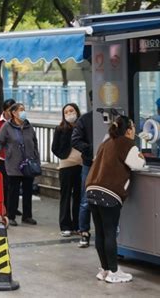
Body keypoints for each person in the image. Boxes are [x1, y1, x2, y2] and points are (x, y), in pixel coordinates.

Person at [86, 115, 145, 283]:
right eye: (133, 127)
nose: (134, 130)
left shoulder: (106, 142)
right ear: (128, 130)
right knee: (110, 232)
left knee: (100, 232)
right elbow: (138, 164)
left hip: (92, 189)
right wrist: (141, 156)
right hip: (109, 192)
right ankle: (113, 271)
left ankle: (104, 269)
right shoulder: (126, 143)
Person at [0, 103, 39, 226]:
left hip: (29, 163)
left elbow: (34, 142)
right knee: (13, 190)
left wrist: (36, 158)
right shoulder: (7, 126)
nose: (23, 112)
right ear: (14, 113)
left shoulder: (28, 126)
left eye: (24, 110)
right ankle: (11, 216)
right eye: (21, 110)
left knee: (28, 190)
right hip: (13, 163)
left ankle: (27, 216)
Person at [52, 103, 82, 237]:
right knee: (65, 196)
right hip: (66, 166)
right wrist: (64, 156)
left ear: (77, 111)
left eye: (72, 111)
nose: (70, 114)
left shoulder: (82, 126)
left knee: (78, 196)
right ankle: (65, 225)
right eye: (66, 112)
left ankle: (77, 225)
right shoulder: (60, 129)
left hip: (81, 165)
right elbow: (54, 147)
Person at [0, 98, 22, 216]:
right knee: (5, 183)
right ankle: (5, 207)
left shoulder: (18, 121)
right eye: (10, 110)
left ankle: (14, 207)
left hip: (16, 157)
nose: (12, 113)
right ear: (4, 110)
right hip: (3, 157)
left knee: (15, 183)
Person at [71, 91, 93, 248]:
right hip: (89, 163)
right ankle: (84, 232)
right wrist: (91, 151)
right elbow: (75, 140)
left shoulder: (116, 119)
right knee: (86, 199)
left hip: (109, 165)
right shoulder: (84, 120)